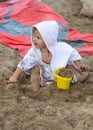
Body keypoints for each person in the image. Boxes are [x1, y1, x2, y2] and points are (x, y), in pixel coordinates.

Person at [8, 20, 89, 91]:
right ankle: (34, 87)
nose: (34, 39)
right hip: (44, 73)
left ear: (48, 39)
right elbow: (24, 63)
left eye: (38, 38)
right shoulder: (34, 51)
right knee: (35, 69)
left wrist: (79, 66)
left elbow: (72, 53)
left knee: (77, 75)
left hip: (61, 73)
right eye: (34, 36)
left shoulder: (61, 47)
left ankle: (84, 74)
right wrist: (14, 76)